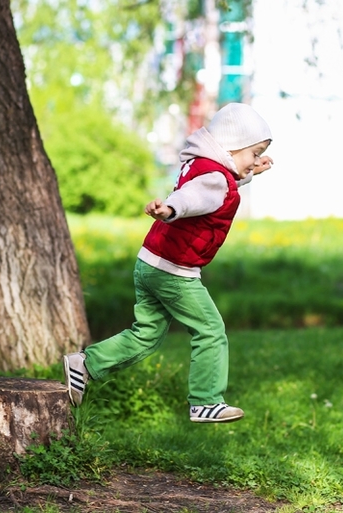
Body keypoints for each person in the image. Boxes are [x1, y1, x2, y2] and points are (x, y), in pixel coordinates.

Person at [63, 102, 274, 423]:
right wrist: (171, 209)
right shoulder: (214, 180)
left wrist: (248, 173)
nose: (257, 160)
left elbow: (214, 190)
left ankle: (85, 364)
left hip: (150, 263)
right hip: (175, 271)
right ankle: (205, 401)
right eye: (254, 153)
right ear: (232, 148)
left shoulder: (203, 166)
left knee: (146, 334)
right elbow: (195, 197)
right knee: (210, 330)